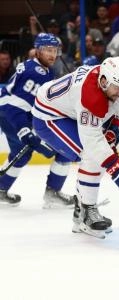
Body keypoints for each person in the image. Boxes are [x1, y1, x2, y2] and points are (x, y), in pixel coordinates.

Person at [31, 56, 119, 238]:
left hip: (69, 110)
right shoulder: (91, 97)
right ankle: (85, 215)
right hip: (49, 117)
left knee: (98, 155)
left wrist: (116, 121)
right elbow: (92, 142)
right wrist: (117, 168)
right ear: (103, 82)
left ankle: (83, 212)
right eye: (118, 88)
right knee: (91, 156)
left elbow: (117, 101)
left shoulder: (111, 79)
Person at [0, 33, 75, 208]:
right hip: (10, 114)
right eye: (48, 50)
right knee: (65, 150)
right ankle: (52, 194)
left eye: (55, 51)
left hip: (7, 113)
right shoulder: (34, 72)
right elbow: (14, 104)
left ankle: (1, 189)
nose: (52, 55)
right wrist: (24, 130)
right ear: (37, 51)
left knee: (22, 153)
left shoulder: (44, 70)